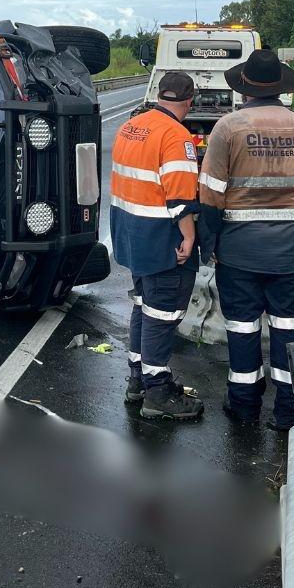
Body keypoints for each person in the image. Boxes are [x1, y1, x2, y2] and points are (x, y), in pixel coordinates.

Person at [198, 49, 294, 431]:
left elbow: (211, 193)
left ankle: (244, 404)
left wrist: (208, 243)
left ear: (244, 87)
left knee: (243, 326)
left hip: (241, 250)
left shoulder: (229, 127)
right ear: (280, 87)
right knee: (289, 327)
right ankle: (286, 410)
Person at [110, 71, 204, 420]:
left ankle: (138, 380)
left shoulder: (131, 126)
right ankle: (158, 393)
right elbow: (180, 199)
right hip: (162, 241)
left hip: (132, 237)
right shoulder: (176, 137)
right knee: (162, 315)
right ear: (189, 101)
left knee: (144, 308)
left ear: (159, 95)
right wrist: (190, 236)